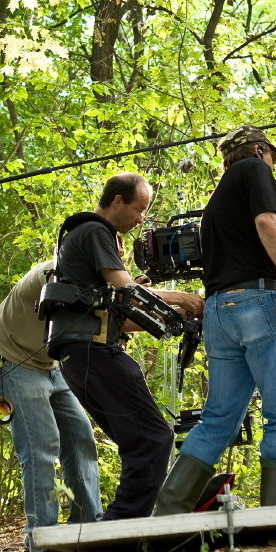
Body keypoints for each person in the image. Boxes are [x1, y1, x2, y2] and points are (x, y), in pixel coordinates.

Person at [154, 127, 276, 515]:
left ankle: (166, 514)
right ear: (258, 150)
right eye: (272, 155)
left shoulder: (219, 199)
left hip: (220, 313)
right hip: (259, 305)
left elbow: (240, 273)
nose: (273, 163)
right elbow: (268, 224)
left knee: (218, 420)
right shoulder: (256, 171)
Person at [46, 172, 204, 520]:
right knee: (153, 439)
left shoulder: (84, 235)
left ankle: (120, 523)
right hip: (96, 355)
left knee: (140, 442)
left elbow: (118, 309)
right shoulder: (96, 231)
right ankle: (120, 525)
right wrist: (185, 299)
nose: (141, 218)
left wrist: (173, 312)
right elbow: (126, 290)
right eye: (139, 208)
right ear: (117, 200)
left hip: (82, 357)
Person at [0, 259, 102, 552]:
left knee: (80, 438)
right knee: (40, 447)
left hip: (52, 365)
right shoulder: (53, 272)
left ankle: (88, 530)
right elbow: (67, 306)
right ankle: (42, 539)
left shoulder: (100, 283)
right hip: (12, 363)